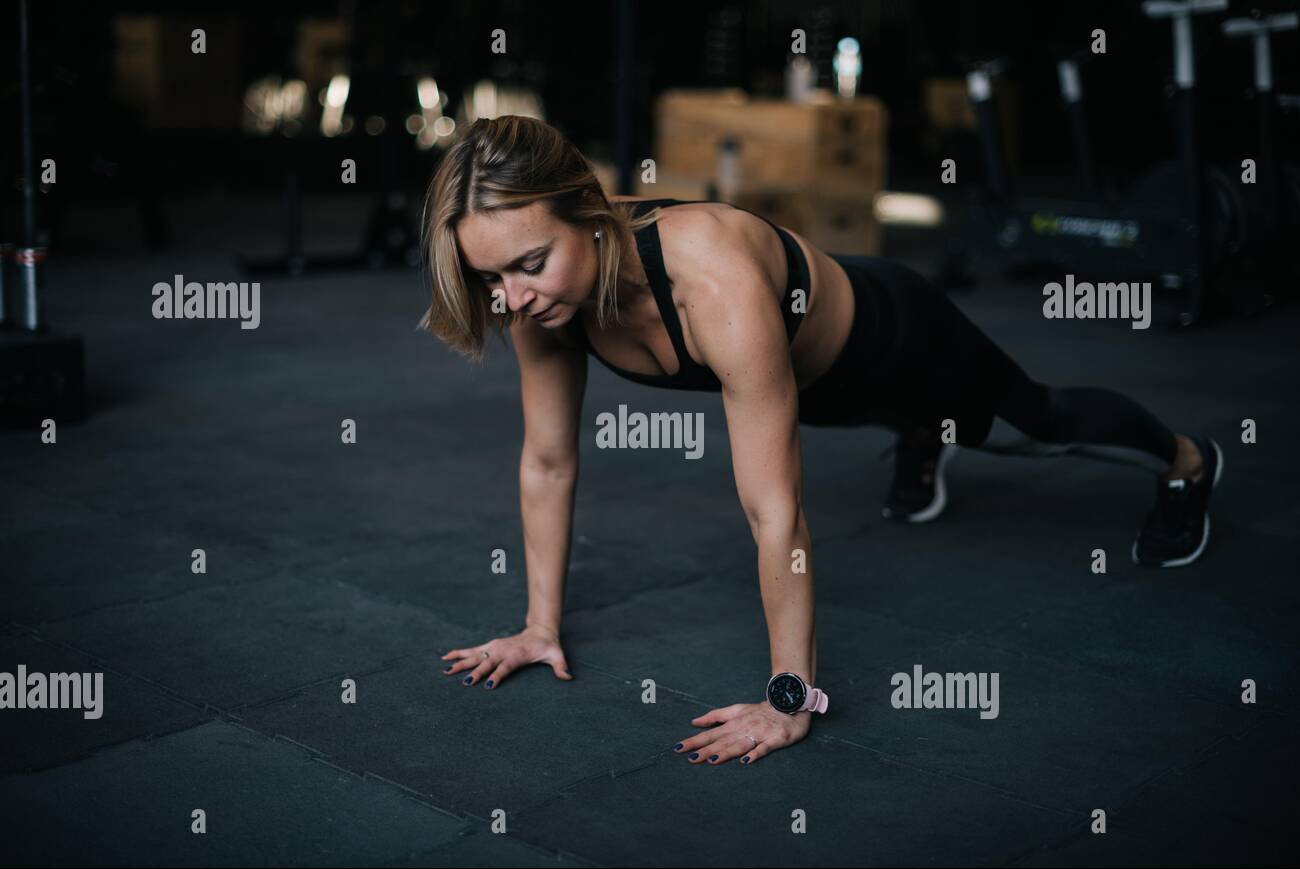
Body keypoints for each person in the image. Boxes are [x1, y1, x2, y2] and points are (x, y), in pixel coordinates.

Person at [419, 115, 1223, 766]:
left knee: (1033, 430)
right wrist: (538, 627)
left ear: (589, 217)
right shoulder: (535, 301)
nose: (511, 299)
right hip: (816, 390)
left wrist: (788, 696)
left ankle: (1187, 461)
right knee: (868, 416)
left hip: (898, 341)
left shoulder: (711, 278)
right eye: (491, 278)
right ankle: (918, 438)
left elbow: (776, 512)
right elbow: (549, 460)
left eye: (528, 264)